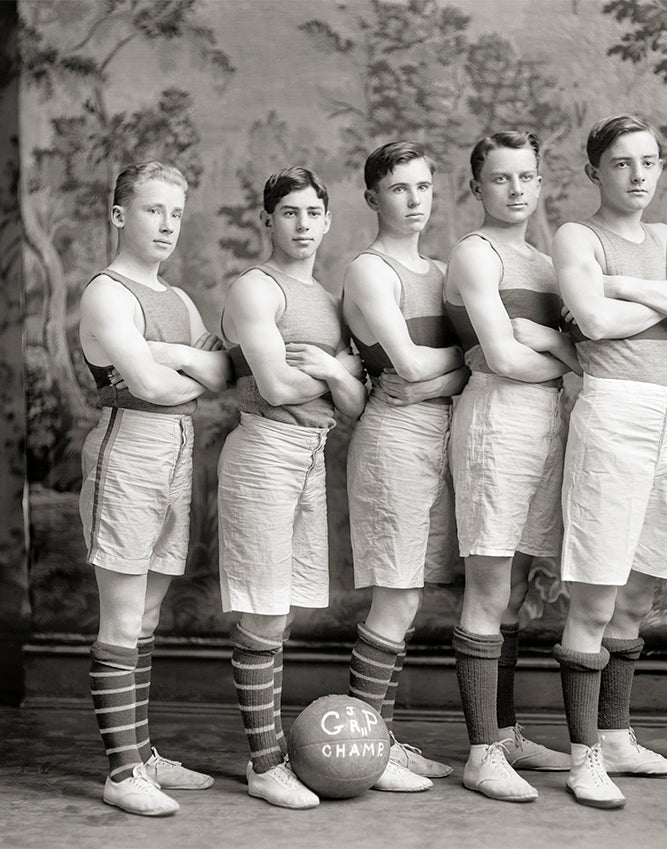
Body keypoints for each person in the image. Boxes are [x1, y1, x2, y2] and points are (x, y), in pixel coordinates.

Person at [551, 114, 667, 808]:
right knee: (596, 587)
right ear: (597, 171)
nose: (639, 174)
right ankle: (583, 755)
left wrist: (625, 290)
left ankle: (617, 737)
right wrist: (655, 304)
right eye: (622, 163)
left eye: (648, 161)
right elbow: (590, 322)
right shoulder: (576, 236)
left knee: (642, 588)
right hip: (613, 409)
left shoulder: (665, 238)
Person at [78, 160, 232, 816]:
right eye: (152, 210)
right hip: (128, 448)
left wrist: (168, 356)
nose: (168, 223)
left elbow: (221, 372)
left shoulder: (180, 299)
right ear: (120, 216)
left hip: (175, 453)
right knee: (120, 614)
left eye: (176, 211)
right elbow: (149, 387)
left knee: (147, 614)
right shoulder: (106, 293)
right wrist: (184, 362)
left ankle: (142, 751)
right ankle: (121, 772)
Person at [217, 166, 367, 809]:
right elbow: (275, 388)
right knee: (264, 608)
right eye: (289, 213)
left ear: (328, 220)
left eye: (313, 213)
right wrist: (338, 375)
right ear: (267, 221)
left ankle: (271, 756)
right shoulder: (256, 288)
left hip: (310, 456)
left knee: (282, 611)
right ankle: (265, 763)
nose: (303, 225)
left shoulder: (331, 302)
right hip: (263, 451)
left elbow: (357, 405)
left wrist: (337, 370)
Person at [444, 130, 580, 803]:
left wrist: (547, 341)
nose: (517, 189)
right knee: (489, 580)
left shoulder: (546, 260)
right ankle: (480, 751)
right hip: (496, 420)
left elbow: (565, 351)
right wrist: (562, 356)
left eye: (526, 176)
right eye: (501, 178)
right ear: (477, 186)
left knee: (520, 584)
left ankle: (506, 731)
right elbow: (499, 356)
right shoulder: (476, 252)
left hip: (547, 424)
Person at [341, 141, 468, 793]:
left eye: (423, 186)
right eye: (399, 189)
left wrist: (439, 377)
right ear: (372, 199)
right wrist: (458, 368)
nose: (414, 200)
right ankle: (368, 747)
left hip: (439, 435)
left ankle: (383, 736)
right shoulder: (370, 270)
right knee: (397, 594)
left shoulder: (444, 270)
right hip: (393, 439)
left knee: (413, 595)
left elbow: (456, 366)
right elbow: (413, 368)